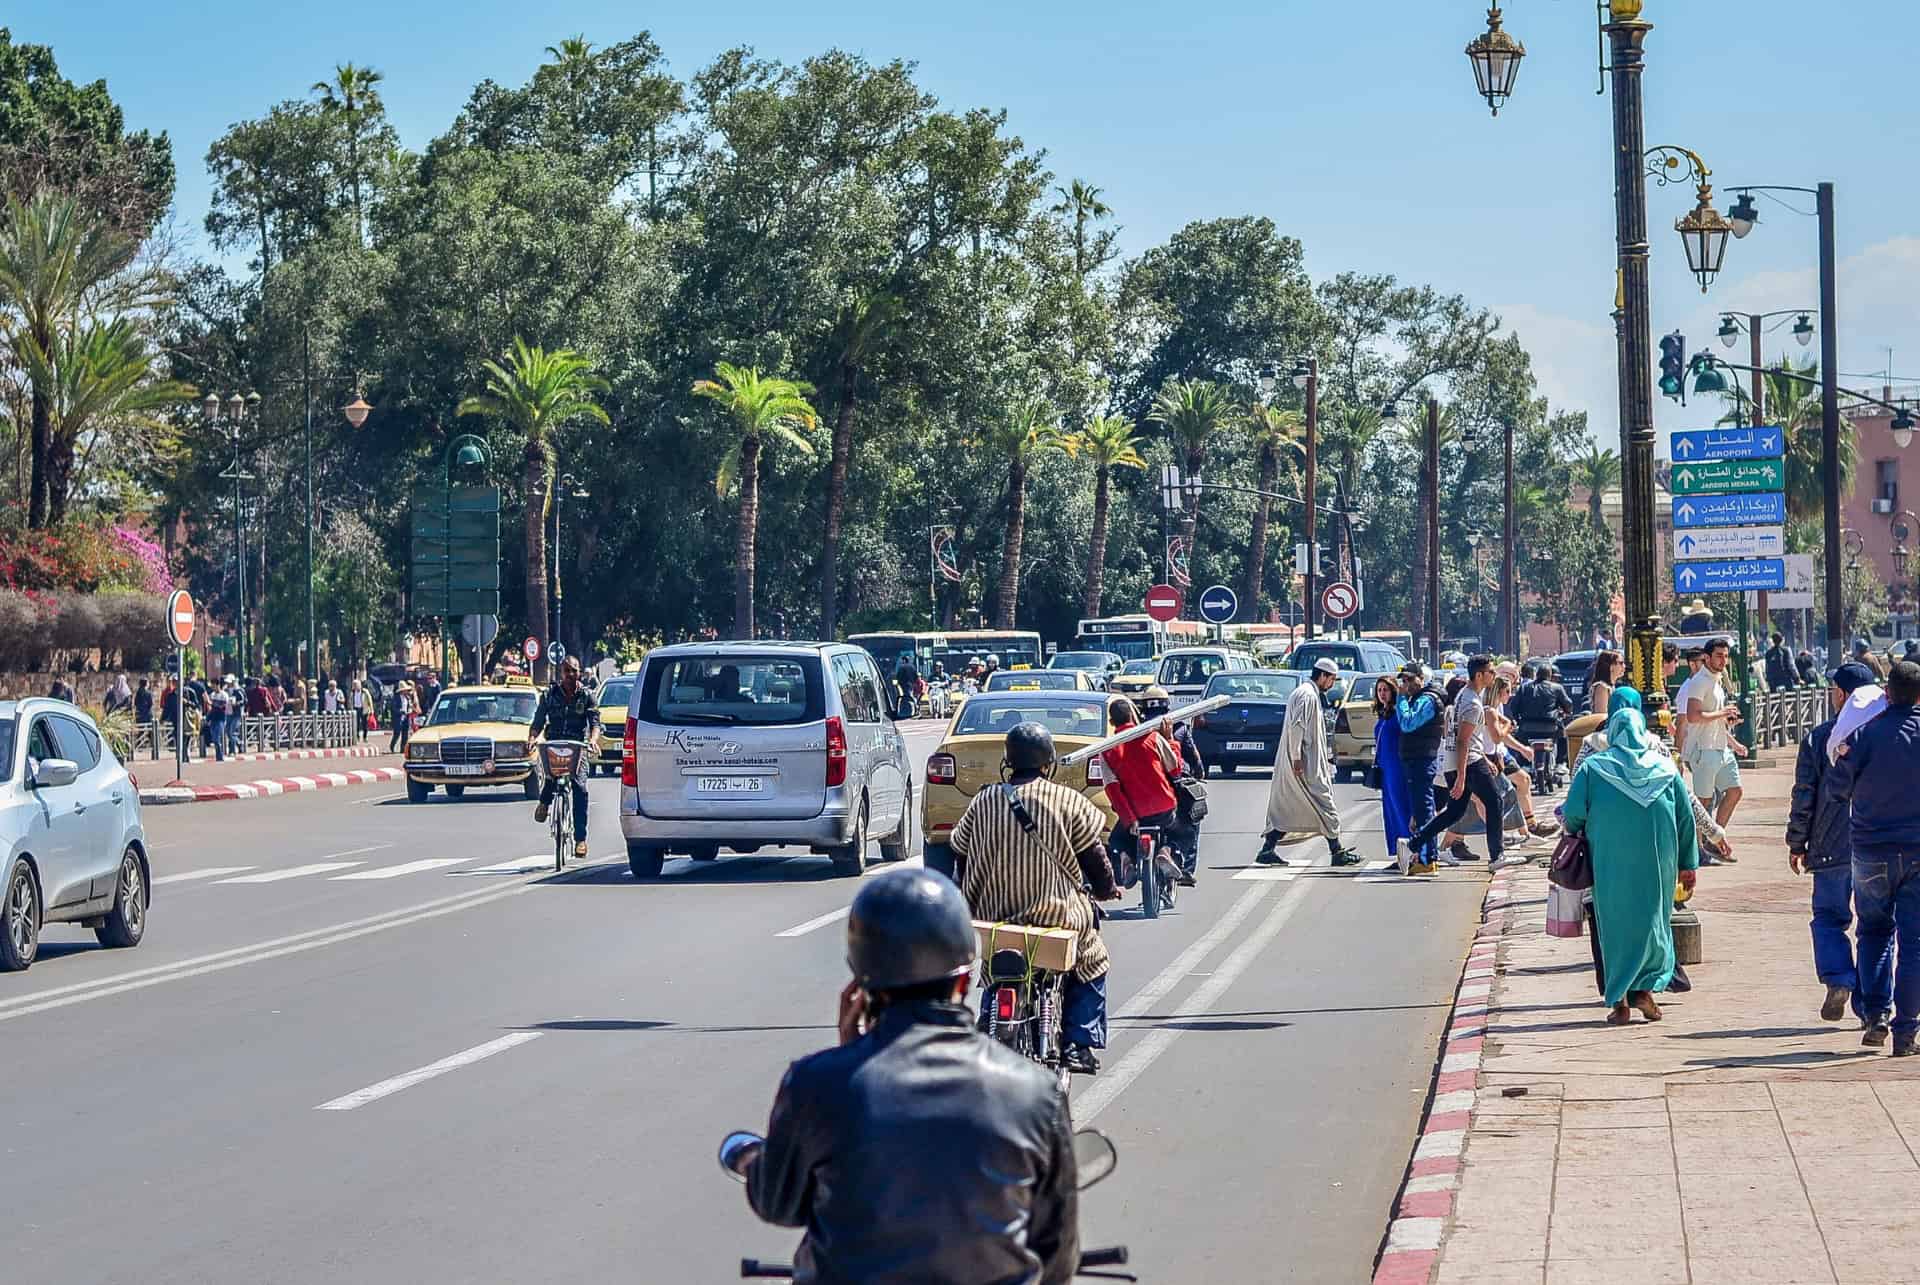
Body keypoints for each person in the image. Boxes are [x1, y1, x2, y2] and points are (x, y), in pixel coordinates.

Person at [732, 866, 1081, 1285]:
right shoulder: (1035, 1091)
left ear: (859, 984)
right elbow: (1057, 1254)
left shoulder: (817, 1084)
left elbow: (778, 1202)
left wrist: (752, 1158)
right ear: (966, 977)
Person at [951, 722, 1118, 1074]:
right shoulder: (1069, 801)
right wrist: (1106, 890)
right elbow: (1094, 857)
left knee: (996, 976)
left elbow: (960, 851)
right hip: (1057, 920)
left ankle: (989, 1027)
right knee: (1093, 961)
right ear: (1048, 763)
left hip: (995, 920)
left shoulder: (983, 800)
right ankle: (1078, 1044)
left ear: (1008, 761)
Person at [1564, 687, 1700, 1025]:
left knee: (1613, 927)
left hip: (1609, 862)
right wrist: (1689, 864)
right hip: (1659, 862)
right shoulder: (1665, 767)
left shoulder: (1594, 768)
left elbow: (1572, 815)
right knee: (1654, 922)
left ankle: (1620, 1001)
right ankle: (1646, 990)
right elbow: (1685, 819)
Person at [1827, 660, 1920, 1055]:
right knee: (1914, 943)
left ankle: (1876, 1016)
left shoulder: (1864, 734)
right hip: (1917, 852)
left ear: (1886, 693)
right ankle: (1906, 1031)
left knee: (1873, 932)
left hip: (1869, 850)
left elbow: (1837, 788)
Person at [1787, 662, 1877, 1027]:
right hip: (1876, 844)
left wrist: (1797, 842)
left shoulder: (1818, 738)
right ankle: (1873, 1007)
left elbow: (1804, 795)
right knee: (1876, 927)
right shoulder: (1886, 736)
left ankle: (1839, 977)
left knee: (1828, 918)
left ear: (1841, 695)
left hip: (1828, 845)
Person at [1399, 655, 1510, 873]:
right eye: (1490, 672)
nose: (1493, 676)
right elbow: (1463, 740)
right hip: (1468, 762)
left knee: (1454, 812)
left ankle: (1412, 843)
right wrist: (1461, 776)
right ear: (1479, 675)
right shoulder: (1473, 703)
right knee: (1495, 802)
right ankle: (1497, 855)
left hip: (1460, 762)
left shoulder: (1464, 695)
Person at [1259, 659, 1363, 868]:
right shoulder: (1306, 695)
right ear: (1323, 676)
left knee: (1288, 806)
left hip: (1304, 760)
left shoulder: (1307, 693)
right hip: (1305, 763)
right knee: (1326, 804)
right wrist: (1297, 758)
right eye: (1332, 679)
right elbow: (1297, 728)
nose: (1332, 684)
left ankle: (1267, 849)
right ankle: (1337, 851)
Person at [1099, 696, 1191, 893]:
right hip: (1164, 807)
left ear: (1112, 721)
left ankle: (1126, 859)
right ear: (1133, 715)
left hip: (1134, 813)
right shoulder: (1152, 737)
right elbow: (1175, 768)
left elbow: (1112, 789)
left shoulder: (1107, 750)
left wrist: (1129, 819)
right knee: (1185, 831)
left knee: (1117, 840)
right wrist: (1170, 740)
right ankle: (1167, 852)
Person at [530, 655, 600, 859]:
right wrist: (533, 739)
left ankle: (580, 840)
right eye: (566, 671)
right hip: (554, 743)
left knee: (580, 788)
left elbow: (595, 723)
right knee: (552, 776)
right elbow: (537, 722)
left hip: (577, 746)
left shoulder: (587, 696)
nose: (570, 675)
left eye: (574, 671)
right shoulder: (549, 695)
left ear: (579, 673)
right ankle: (544, 803)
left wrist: (593, 740)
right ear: (561, 673)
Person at [1680, 637, 1744, 830]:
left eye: (1726, 656)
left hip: (1720, 748)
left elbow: (1714, 716)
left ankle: (1715, 838)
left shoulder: (1717, 681)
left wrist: (1731, 736)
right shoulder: (1700, 681)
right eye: (1719, 656)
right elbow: (1692, 716)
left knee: (1735, 791)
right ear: (1707, 658)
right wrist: (1722, 713)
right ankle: (1697, 846)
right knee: (1703, 802)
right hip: (1704, 749)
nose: (1723, 661)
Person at [1394, 662, 1449, 874]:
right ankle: (1424, 856)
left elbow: (1408, 723)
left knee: (1425, 811)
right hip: (1415, 759)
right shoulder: (1417, 698)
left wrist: (1400, 699)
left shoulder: (1428, 699)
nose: (1406, 684)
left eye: (1409, 679)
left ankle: (1427, 858)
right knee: (1420, 809)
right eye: (1403, 680)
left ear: (1421, 678)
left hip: (1422, 760)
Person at [1370, 676, 1414, 863]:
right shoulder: (1384, 713)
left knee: (1402, 809)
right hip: (1385, 768)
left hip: (1398, 767)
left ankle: (1411, 852)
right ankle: (1399, 855)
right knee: (1390, 812)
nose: (1382, 694)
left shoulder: (1398, 713)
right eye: (1379, 690)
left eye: (1385, 690)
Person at [1586, 649, 1624, 717]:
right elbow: (1601, 715)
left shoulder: (1611, 686)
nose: (1624, 666)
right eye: (1621, 663)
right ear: (1611, 666)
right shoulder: (1602, 687)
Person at [387, 682, 413, 753]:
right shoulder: (396, 698)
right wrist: (400, 711)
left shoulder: (407, 698)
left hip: (406, 717)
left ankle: (403, 748)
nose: (406, 691)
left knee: (405, 734)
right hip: (398, 718)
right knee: (397, 733)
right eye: (405, 690)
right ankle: (392, 746)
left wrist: (409, 711)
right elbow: (393, 708)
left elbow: (410, 706)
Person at [893, 655, 920, 720]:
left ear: (904, 660)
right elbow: (916, 677)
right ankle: (916, 709)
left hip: (903, 685)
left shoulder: (901, 667)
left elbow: (898, 677)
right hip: (911, 685)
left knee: (903, 697)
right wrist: (913, 683)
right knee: (911, 696)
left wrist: (897, 683)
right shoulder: (912, 667)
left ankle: (904, 711)